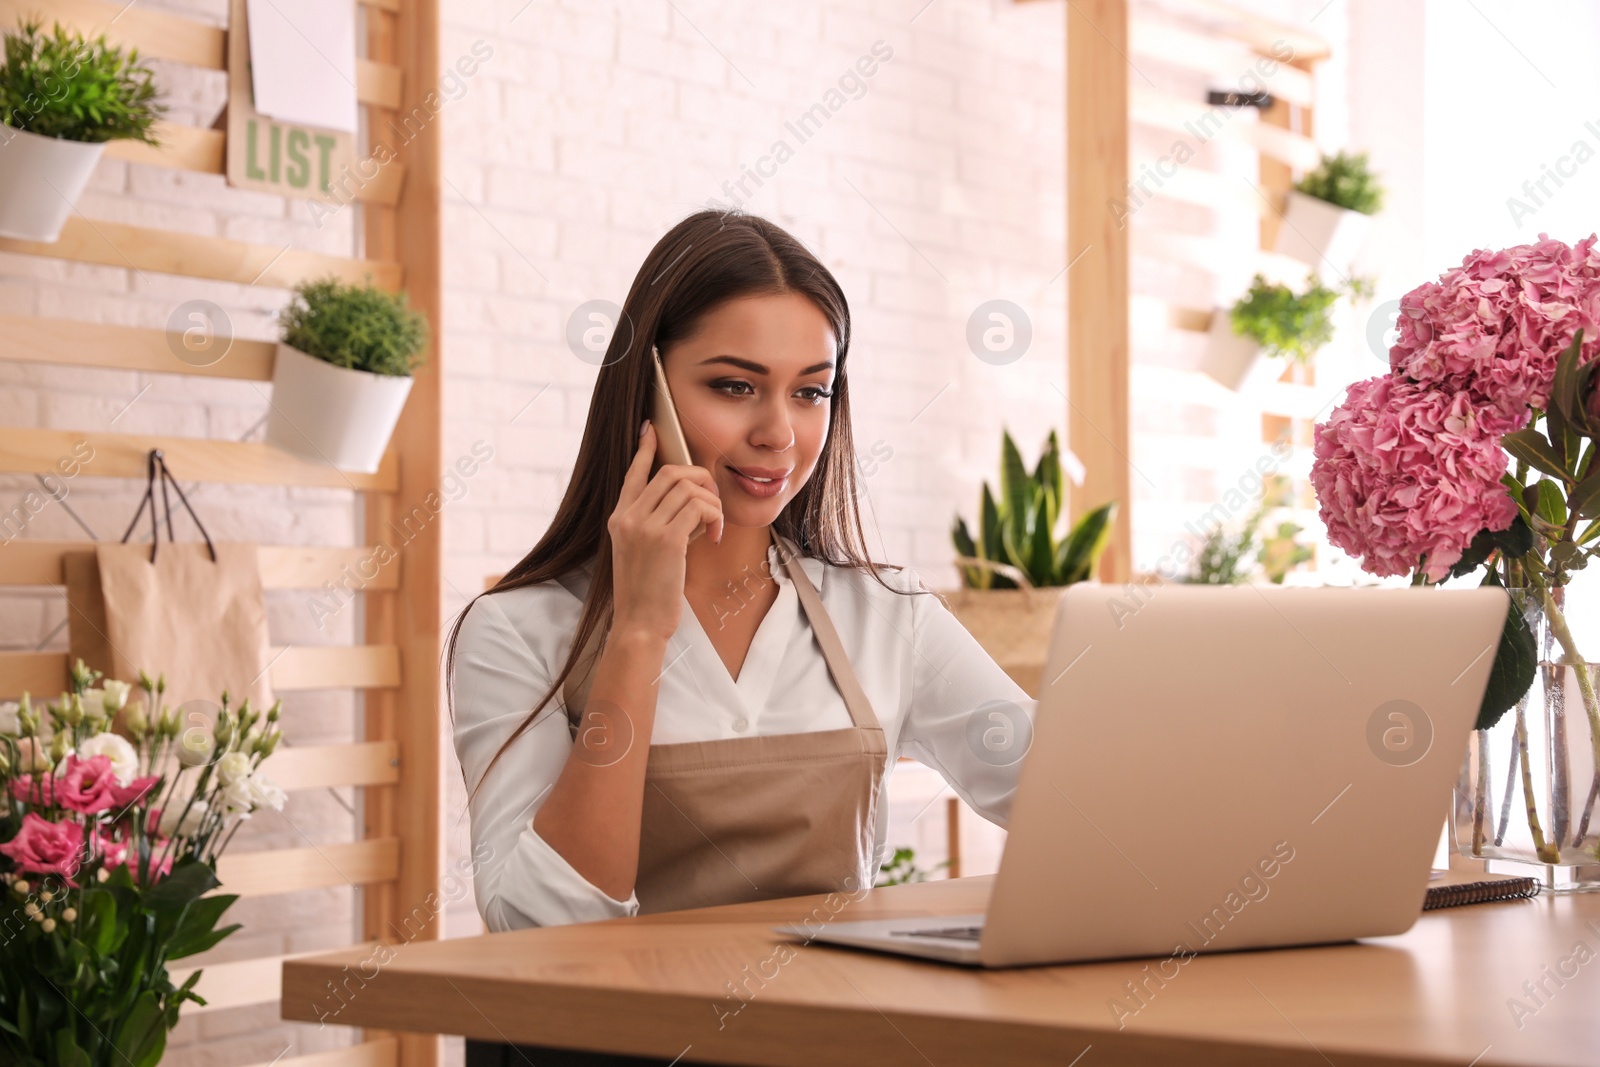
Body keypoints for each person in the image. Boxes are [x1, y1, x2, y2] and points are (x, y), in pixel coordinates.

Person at [446, 208, 1038, 943]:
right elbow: (544, 920)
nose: (779, 434)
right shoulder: (517, 631)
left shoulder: (887, 613)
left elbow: (1074, 804)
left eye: (810, 391)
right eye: (734, 386)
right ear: (648, 390)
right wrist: (636, 631)